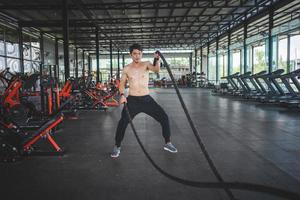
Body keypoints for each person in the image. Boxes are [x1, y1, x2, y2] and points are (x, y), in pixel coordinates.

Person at [111, 43, 177, 158]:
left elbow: (156, 70)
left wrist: (156, 59)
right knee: (122, 123)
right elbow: (122, 83)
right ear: (131, 54)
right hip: (132, 101)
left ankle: (168, 142)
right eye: (135, 54)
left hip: (147, 100)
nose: (137, 56)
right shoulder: (127, 68)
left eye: (139, 53)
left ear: (142, 54)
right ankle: (117, 146)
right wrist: (122, 94)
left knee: (164, 118)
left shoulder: (146, 64)